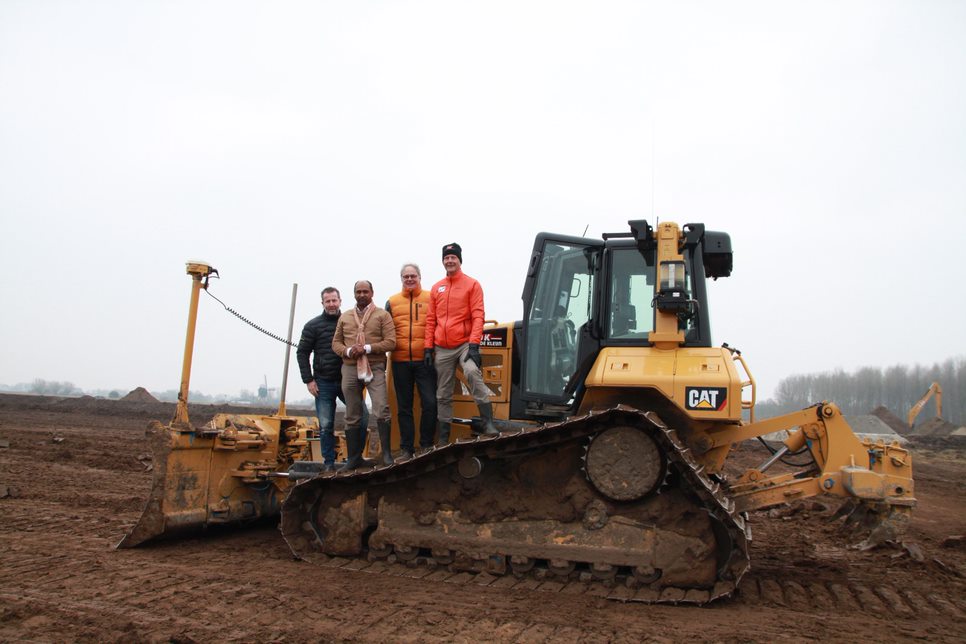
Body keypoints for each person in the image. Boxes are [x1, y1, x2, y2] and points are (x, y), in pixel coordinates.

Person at [424, 243, 498, 445]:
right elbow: (431, 319)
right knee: (443, 392)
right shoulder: (436, 288)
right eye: (446, 258)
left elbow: (478, 315)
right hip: (442, 347)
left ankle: (487, 422)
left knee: (472, 372)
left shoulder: (472, 285)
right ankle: (444, 436)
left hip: (465, 344)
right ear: (443, 261)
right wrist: (428, 347)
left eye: (453, 257)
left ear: (459, 260)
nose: (449, 261)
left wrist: (474, 345)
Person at [296, 286, 367, 471]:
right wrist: (308, 380)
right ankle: (328, 464)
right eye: (328, 301)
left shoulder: (351, 322)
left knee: (363, 417)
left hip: (348, 380)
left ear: (340, 301)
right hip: (323, 383)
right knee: (326, 424)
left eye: (334, 300)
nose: (331, 304)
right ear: (323, 303)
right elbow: (302, 353)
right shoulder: (312, 326)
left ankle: (356, 458)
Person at [332, 280, 396, 469]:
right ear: (354, 294)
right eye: (358, 292)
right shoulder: (345, 317)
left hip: (375, 366)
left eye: (365, 291)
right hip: (350, 367)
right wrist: (349, 351)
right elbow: (335, 343)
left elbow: (391, 342)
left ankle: (386, 455)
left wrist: (368, 348)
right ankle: (353, 458)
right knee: (352, 413)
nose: (362, 295)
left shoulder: (382, 316)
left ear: (372, 293)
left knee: (381, 408)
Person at [386, 263, 437, 459]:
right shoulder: (391, 301)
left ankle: (426, 445)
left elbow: (436, 324)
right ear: (401, 278)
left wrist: (430, 348)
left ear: (419, 277)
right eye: (406, 276)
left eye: (413, 276)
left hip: (425, 360)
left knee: (430, 404)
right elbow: (386, 330)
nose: (409, 279)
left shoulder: (431, 297)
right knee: (404, 406)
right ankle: (407, 448)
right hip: (400, 361)